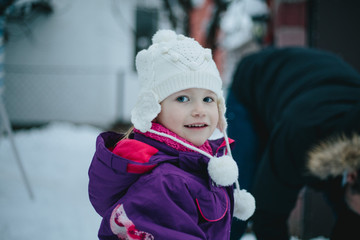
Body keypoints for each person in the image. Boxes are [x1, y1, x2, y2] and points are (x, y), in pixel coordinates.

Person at [88, 29, 255, 240]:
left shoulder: (200, 163)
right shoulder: (167, 183)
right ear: (154, 109)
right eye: (183, 99)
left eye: (208, 99)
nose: (199, 110)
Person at [226, 47, 360, 240]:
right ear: (352, 176)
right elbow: (269, 215)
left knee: (350, 212)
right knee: (243, 197)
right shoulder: (303, 137)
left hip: (311, 89)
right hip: (256, 83)